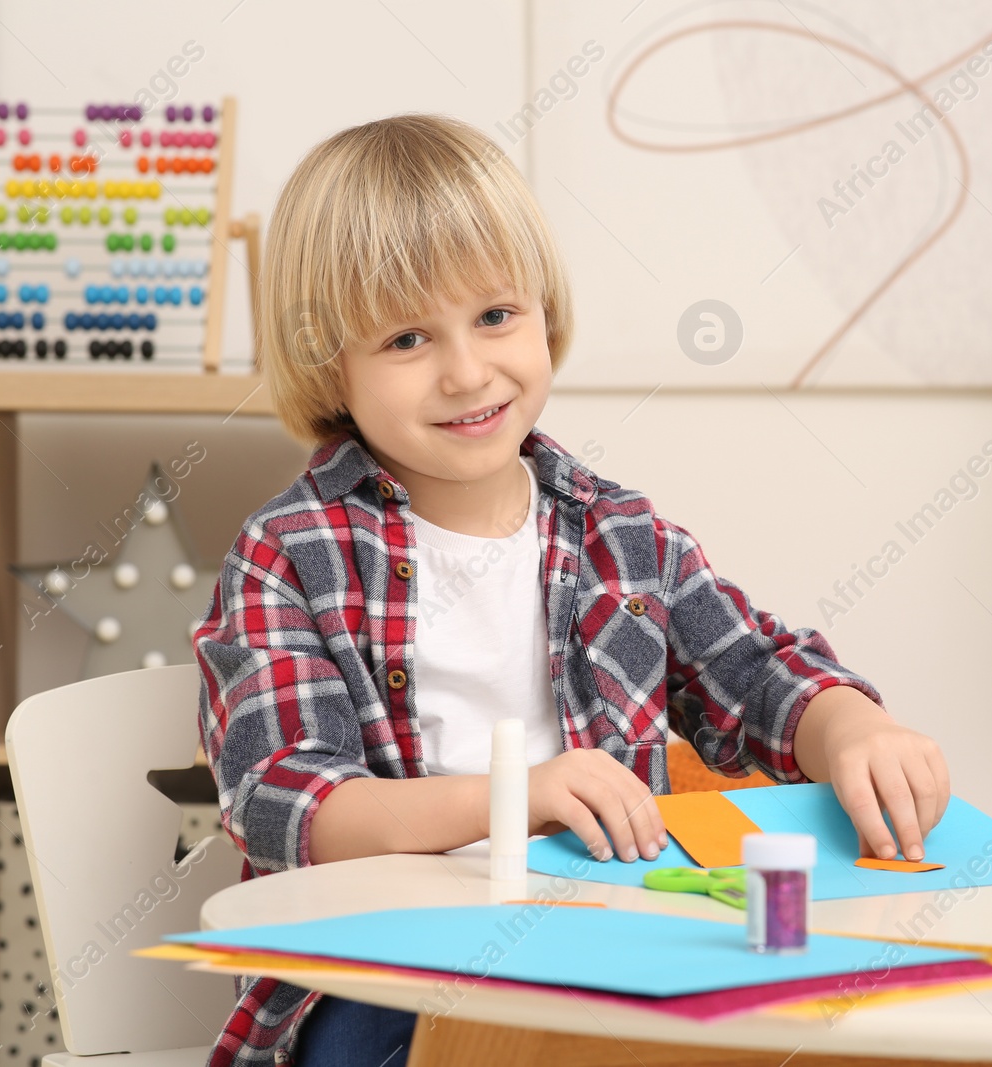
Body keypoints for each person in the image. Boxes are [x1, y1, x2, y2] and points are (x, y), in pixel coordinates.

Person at [193, 112, 949, 1067]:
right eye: (406, 338)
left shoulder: (618, 536)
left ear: (544, 308)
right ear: (328, 362)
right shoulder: (288, 555)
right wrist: (519, 798)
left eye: (497, 315)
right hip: (382, 982)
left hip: (614, 961)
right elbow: (288, 803)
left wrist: (853, 728)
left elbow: (756, 677)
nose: (468, 371)